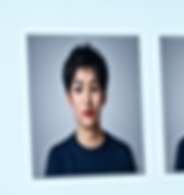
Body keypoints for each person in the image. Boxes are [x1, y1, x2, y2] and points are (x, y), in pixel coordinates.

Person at [44, 44, 138, 176]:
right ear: (69, 98)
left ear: (104, 96)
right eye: (78, 89)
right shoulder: (57, 157)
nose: (87, 100)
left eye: (94, 88)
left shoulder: (122, 154)